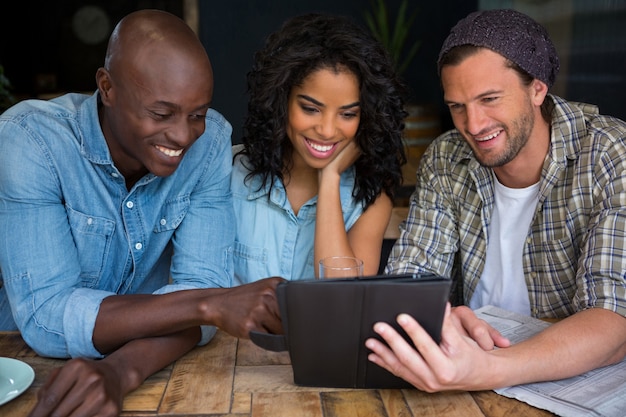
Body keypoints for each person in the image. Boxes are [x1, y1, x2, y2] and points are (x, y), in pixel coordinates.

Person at [0, 9, 283, 416]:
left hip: (145, 374)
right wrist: (208, 305)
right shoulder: (32, 140)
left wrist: (121, 371)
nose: (184, 135)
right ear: (107, 87)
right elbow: (47, 317)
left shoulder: (211, 142)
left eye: (197, 114)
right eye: (161, 114)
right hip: (20, 372)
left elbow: (200, 288)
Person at [368, 9, 626, 392]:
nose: (473, 125)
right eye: (457, 106)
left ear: (538, 89)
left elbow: (613, 321)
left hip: (570, 383)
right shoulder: (447, 157)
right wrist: (445, 316)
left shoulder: (609, 153)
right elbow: (411, 281)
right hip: (465, 373)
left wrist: (488, 369)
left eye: (489, 99)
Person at [231, 13, 407, 283]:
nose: (326, 130)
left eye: (347, 114)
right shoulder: (228, 175)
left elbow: (343, 297)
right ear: (281, 101)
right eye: (310, 109)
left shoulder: (371, 198)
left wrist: (330, 178)